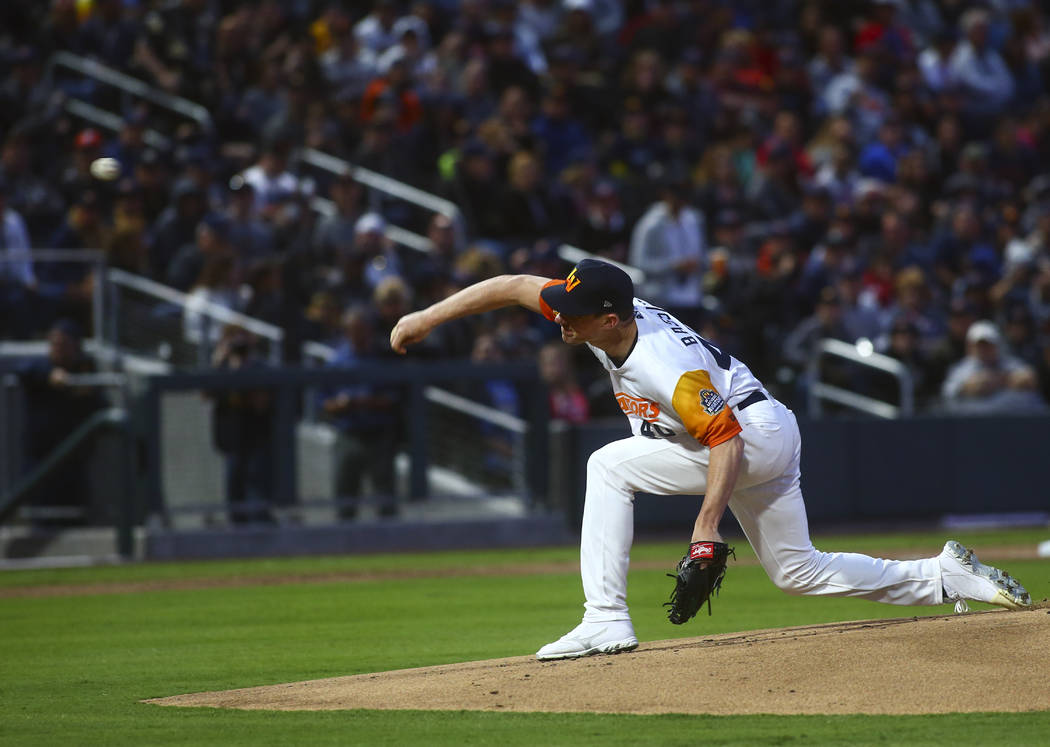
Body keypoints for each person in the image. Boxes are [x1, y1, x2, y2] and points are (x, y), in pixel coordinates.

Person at [389, 259, 1033, 660]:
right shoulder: (601, 314)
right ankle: (946, 577)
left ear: (611, 319)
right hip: (757, 425)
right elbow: (511, 285)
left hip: (744, 436)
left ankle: (605, 620)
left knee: (608, 466)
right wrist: (426, 316)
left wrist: (704, 530)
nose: (562, 321)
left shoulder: (664, 367)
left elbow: (724, 442)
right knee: (797, 571)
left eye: (577, 316)